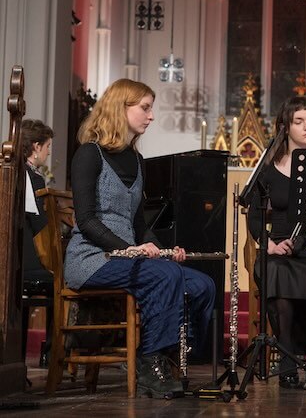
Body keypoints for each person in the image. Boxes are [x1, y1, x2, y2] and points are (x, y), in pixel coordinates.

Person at [64, 79, 215, 398]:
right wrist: (128, 248)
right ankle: (149, 363)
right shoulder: (89, 154)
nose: (151, 116)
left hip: (128, 256)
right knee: (164, 277)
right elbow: (88, 221)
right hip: (92, 259)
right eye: (145, 108)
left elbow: (139, 225)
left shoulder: (136, 160)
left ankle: (176, 355)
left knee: (203, 285)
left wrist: (162, 250)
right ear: (121, 107)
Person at [247, 96, 306, 390]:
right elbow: (253, 214)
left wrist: (301, 239)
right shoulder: (269, 166)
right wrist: (268, 245)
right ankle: (287, 359)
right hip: (276, 248)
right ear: (286, 127)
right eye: (299, 121)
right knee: (275, 271)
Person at [21, 119, 54, 365]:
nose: (49, 151)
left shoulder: (16, 172)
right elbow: (40, 224)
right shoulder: (33, 179)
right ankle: (53, 352)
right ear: (36, 146)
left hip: (19, 255)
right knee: (62, 281)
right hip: (28, 259)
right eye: (47, 146)